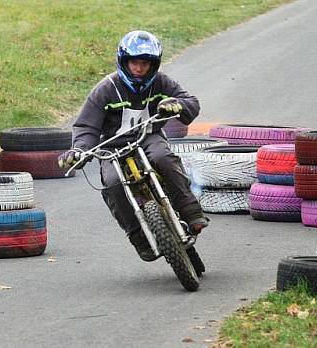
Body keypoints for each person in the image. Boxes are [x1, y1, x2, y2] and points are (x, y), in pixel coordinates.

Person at [58, 30, 208, 262]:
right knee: (112, 183)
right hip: (112, 148)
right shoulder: (105, 89)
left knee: (163, 156)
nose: (139, 68)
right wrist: (78, 151)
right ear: (123, 61)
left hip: (148, 137)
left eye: (145, 63)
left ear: (153, 64)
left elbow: (191, 103)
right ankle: (138, 236)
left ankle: (190, 210)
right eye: (134, 62)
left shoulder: (161, 82)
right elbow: (87, 127)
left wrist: (176, 105)